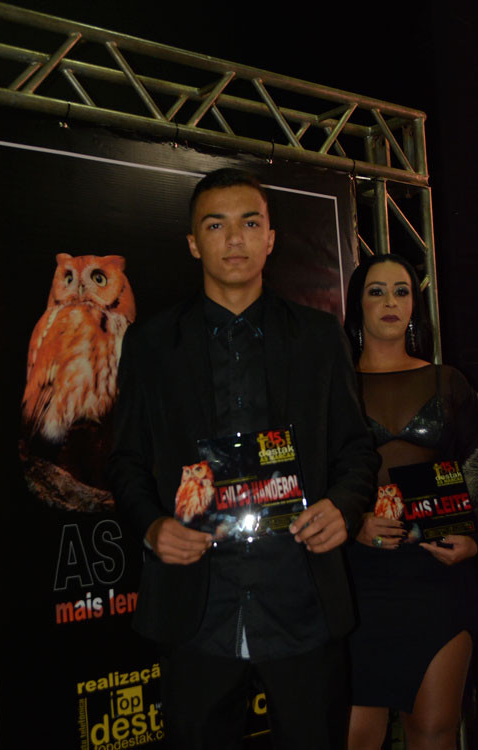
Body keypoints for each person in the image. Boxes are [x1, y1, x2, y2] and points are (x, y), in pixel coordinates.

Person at [109, 167, 378, 749]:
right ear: (193, 243)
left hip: (302, 599)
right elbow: (126, 459)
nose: (235, 239)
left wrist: (344, 505)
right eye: (216, 225)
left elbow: (357, 449)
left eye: (250, 223)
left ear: (270, 238)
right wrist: (152, 526)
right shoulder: (152, 344)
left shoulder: (318, 337)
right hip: (197, 607)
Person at [343, 253, 478, 750]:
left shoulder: (448, 381)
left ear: (414, 306)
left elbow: (477, 467)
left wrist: (475, 540)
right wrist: (353, 521)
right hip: (358, 579)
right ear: (358, 304)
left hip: (437, 575)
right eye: (376, 291)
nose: (391, 302)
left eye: (401, 291)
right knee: (355, 737)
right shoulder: (334, 386)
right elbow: (310, 477)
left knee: (434, 731)